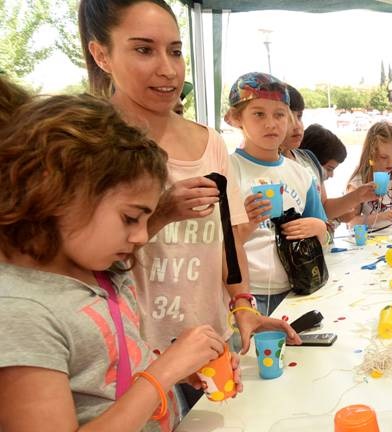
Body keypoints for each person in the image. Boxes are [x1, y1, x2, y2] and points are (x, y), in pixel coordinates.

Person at [0, 89, 240, 432]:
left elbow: (111, 369)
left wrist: (184, 366)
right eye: (131, 218)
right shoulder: (20, 312)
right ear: (57, 193)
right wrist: (164, 372)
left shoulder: (102, 275)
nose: (143, 236)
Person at [78, 0, 297, 365]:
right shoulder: (88, 143)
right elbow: (79, 260)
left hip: (212, 348)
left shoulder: (210, 142)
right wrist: (160, 212)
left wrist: (243, 304)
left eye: (175, 51)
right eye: (144, 49)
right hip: (135, 361)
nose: (167, 69)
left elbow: (228, 239)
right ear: (102, 54)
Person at [226, 72, 328, 316]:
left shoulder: (302, 174)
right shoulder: (227, 170)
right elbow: (216, 246)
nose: (271, 124)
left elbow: (323, 232)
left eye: (279, 114)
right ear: (236, 118)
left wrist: (319, 228)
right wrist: (246, 224)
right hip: (244, 298)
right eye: (258, 114)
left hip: (297, 289)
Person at [280, 86, 376, 232]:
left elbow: (323, 208)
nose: (297, 126)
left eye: (299, 116)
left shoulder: (309, 160)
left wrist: (357, 196)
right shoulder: (271, 166)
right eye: (287, 118)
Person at [346, 121, 392, 230]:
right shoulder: (359, 182)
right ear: (371, 154)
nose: (390, 163)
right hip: (369, 240)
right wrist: (381, 217)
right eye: (383, 157)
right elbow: (351, 222)